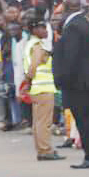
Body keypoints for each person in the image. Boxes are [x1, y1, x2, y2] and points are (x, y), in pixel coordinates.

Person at [53, 0, 89, 168]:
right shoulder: (84, 22)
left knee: (83, 120)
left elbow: (70, 57)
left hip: (78, 83)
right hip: (86, 79)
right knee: (85, 119)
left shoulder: (73, 26)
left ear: (66, 8)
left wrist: (63, 79)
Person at [23, 19, 63, 161]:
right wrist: (28, 80)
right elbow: (33, 66)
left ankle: (41, 149)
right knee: (44, 122)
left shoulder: (29, 44)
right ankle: (46, 150)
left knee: (38, 121)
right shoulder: (37, 46)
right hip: (43, 87)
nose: (46, 31)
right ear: (34, 30)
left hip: (37, 88)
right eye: (43, 28)